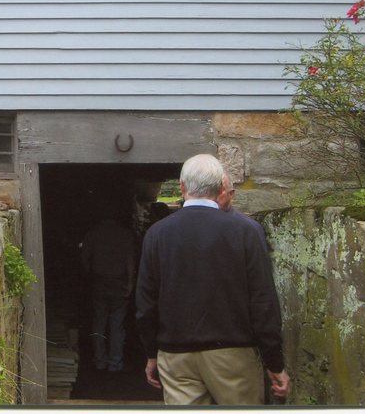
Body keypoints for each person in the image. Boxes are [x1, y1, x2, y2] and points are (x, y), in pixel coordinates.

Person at [135, 154, 290, 405]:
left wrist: (151, 353)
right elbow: (263, 301)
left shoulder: (157, 234)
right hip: (233, 354)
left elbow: (145, 303)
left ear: (182, 187)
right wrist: (274, 362)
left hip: (176, 356)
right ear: (221, 187)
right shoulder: (246, 231)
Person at [80, 203, 135, 372]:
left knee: (99, 322)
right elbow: (130, 262)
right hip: (119, 283)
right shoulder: (126, 235)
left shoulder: (93, 234)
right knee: (117, 324)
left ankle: (99, 361)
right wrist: (131, 284)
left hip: (99, 282)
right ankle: (115, 363)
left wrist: (90, 276)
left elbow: (84, 260)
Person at [217, 174, 269, 254]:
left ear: (231, 194)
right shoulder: (197, 223)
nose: (213, 196)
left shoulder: (248, 228)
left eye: (219, 191)